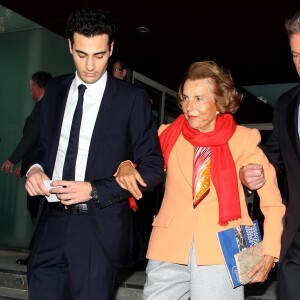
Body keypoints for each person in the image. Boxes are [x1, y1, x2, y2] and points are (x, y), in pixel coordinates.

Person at [24, 8, 164, 300]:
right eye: (81, 54)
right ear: (69, 46)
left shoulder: (131, 99)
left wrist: (94, 190)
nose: (90, 65)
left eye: (99, 56)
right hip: (49, 222)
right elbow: (43, 148)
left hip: (95, 228)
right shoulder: (56, 89)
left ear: (111, 49)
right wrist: (34, 169)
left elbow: (152, 167)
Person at [115, 61, 286, 299]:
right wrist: (124, 163)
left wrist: (270, 251)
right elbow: (133, 154)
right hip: (169, 244)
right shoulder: (167, 134)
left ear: (220, 103)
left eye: (199, 99)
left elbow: (273, 203)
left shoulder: (244, 139)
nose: (188, 106)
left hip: (222, 249)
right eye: (185, 97)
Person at [241, 11, 300, 300]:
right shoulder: (286, 104)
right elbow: (272, 157)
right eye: (296, 55)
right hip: (297, 241)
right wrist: (248, 170)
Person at [1, 71, 52, 265]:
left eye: (30, 85)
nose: (30, 89)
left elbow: (31, 137)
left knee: (37, 211)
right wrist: (23, 168)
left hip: (41, 168)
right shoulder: (46, 107)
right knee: (37, 211)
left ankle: (38, 256)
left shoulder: (43, 107)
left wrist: (13, 159)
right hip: (36, 167)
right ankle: (38, 255)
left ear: (37, 86)